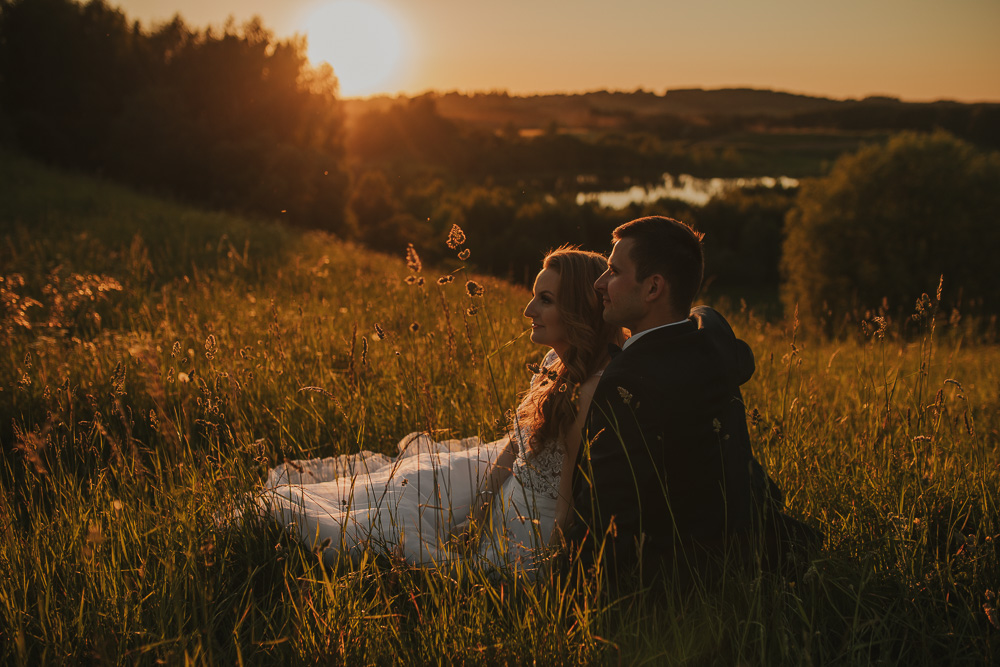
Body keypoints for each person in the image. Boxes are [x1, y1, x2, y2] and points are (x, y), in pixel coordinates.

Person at [262, 247, 625, 576]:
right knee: (399, 497)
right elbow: (515, 445)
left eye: (545, 300)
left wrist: (554, 567)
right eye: (532, 297)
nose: (528, 310)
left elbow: (566, 498)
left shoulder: (590, 391)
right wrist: (480, 509)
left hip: (531, 526)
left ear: (578, 310)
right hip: (503, 492)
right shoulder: (550, 362)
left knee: (410, 546)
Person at [569, 216, 801, 587]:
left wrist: (567, 584)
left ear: (653, 288)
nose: (599, 283)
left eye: (613, 271)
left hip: (675, 573)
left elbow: (607, 511)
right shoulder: (712, 334)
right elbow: (705, 316)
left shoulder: (625, 382)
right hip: (746, 540)